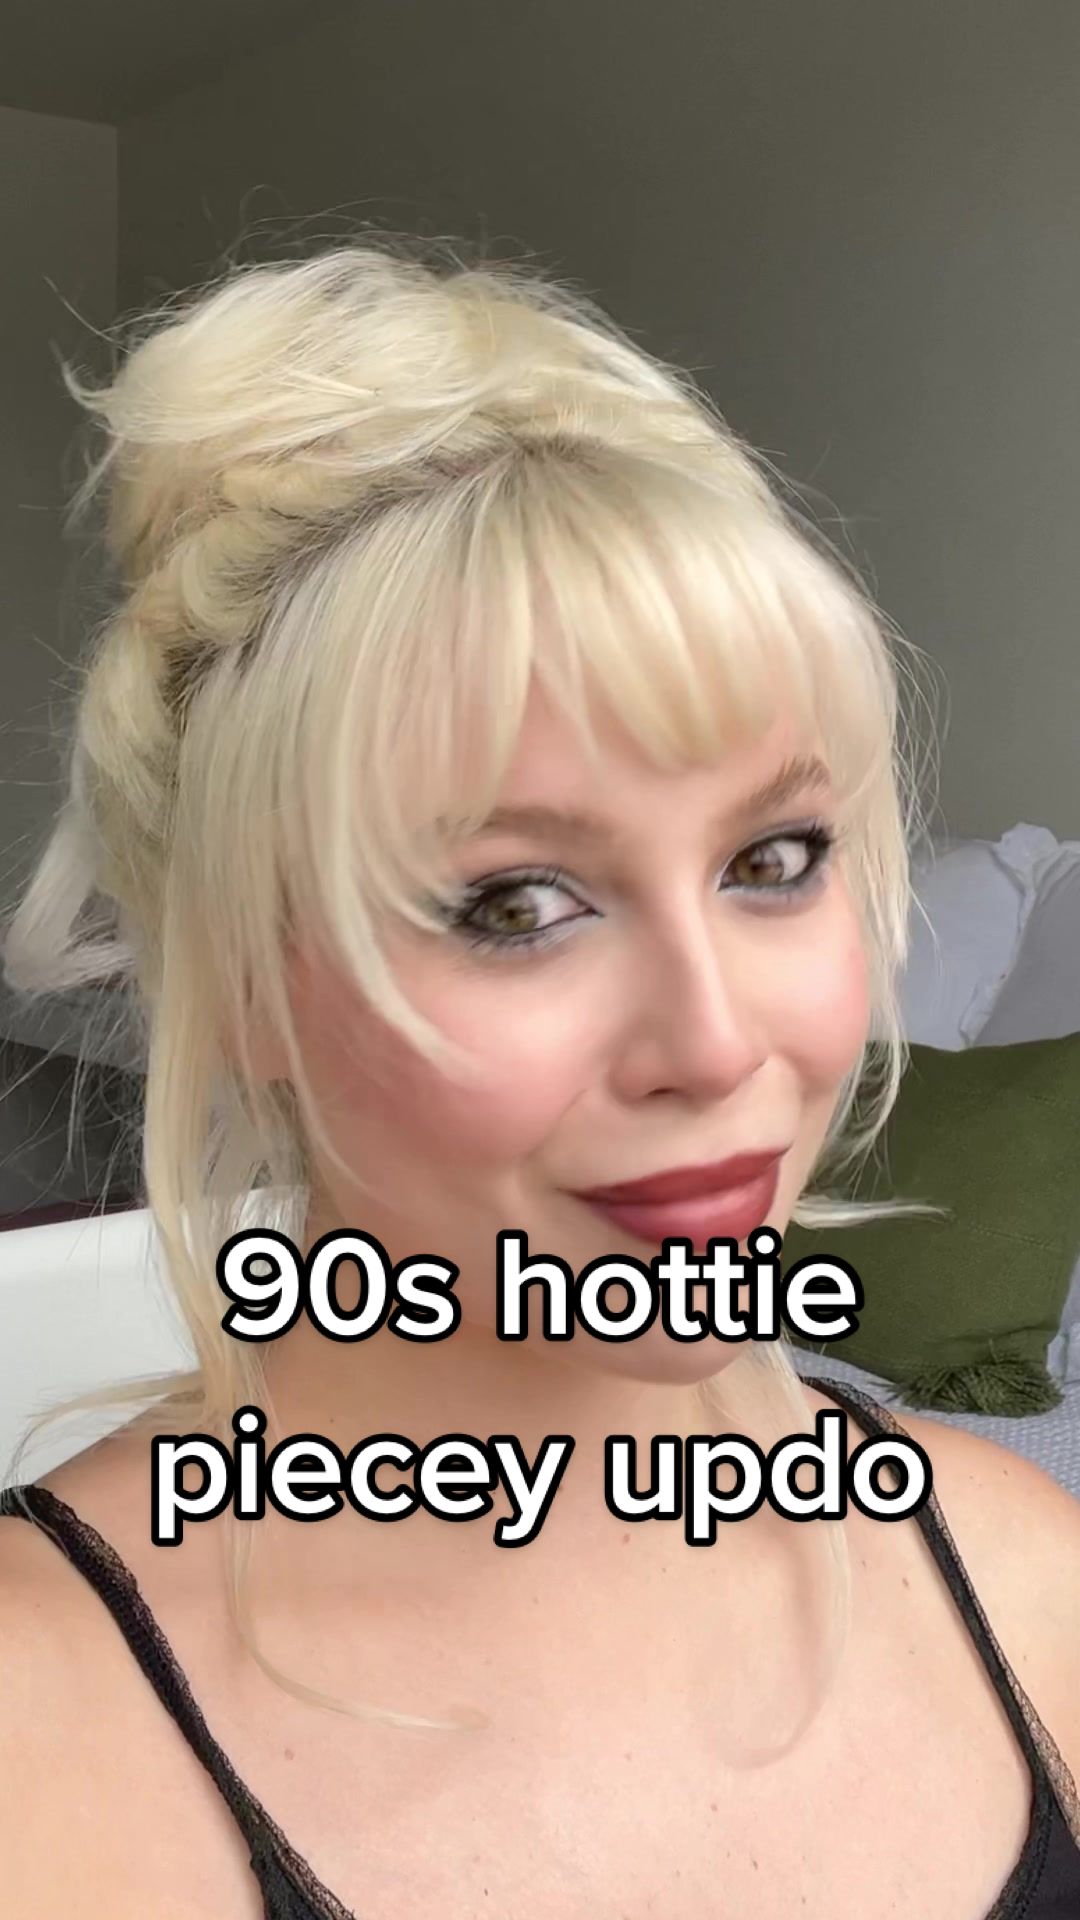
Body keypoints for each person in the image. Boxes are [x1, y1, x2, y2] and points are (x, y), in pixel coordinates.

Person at [1, 235, 1078, 1920]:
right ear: (244, 981)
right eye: (514, 903)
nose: (718, 1044)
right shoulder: (44, 1741)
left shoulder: (1028, 1579)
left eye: (775, 859)